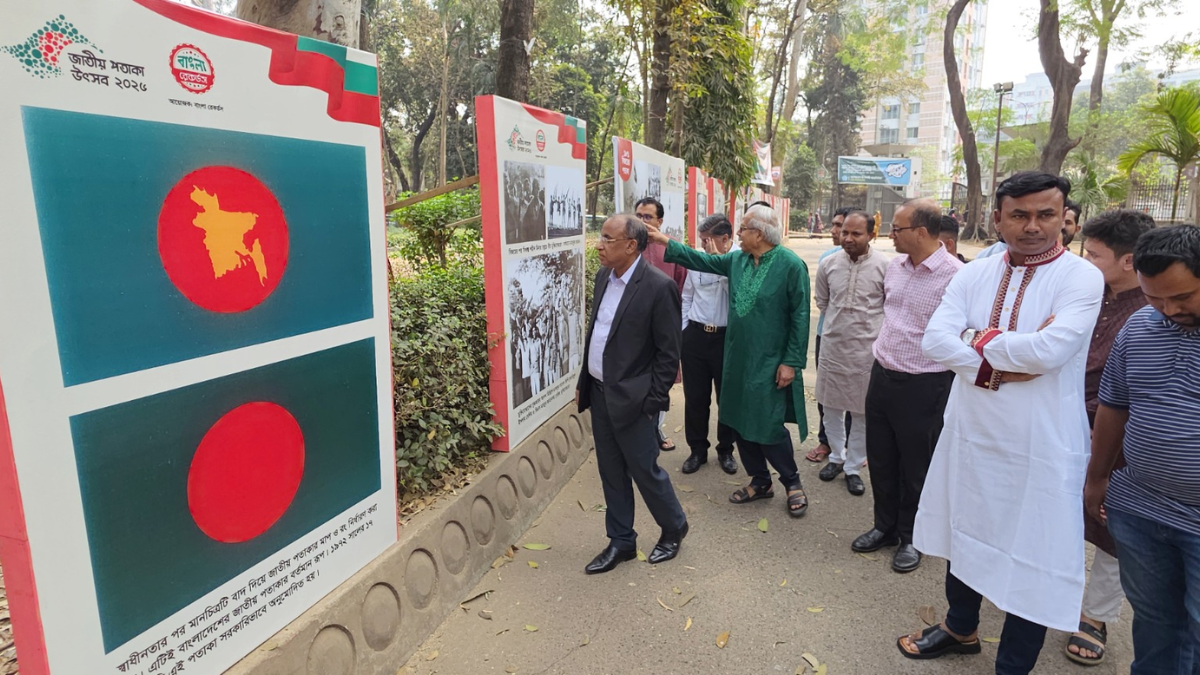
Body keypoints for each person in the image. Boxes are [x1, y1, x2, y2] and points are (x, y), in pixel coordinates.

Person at [899, 171, 1104, 674]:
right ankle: (960, 628)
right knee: (964, 530)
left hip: (1040, 442)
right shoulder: (975, 274)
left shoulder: (1081, 278)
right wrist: (998, 365)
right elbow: (934, 340)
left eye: (1046, 214)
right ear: (997, 219)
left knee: (1031, 553)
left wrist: (973, 338)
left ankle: (1013, 666)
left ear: (1064, 218)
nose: (1033, 226)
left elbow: (1050, 351)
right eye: (1019, 215)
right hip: (972, 434)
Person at [1084, 224, 1200, 674]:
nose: (1169, 311)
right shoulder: (1139, 327)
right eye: (1155, 298)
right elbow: (1114, 405)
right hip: (1139, 510)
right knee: (1154, 622)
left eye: (1183, 297)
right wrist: (1098, 478)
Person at [650, 205, 813, 517]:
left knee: (767, 423)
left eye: (743, 229)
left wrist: (791, 362)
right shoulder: (738, 260)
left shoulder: (791, 265)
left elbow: (800, 316)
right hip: (736, 357)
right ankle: (760, 480)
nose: (738, 233)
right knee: (737, 419)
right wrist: (664, 241)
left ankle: (792, 482)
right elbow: (702, 260)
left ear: (760, 234)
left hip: (770, 361)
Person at [1061, 209, 1154, 665]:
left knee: (1111, 527)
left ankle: (1095, 615)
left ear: (1128, 261)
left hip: (1118, 436)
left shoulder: (1155, 310)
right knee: (1057, 513)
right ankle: (1052, 590)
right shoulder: (1085, 294)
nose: (1085, 261)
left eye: (1094, 255)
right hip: (1062, 422)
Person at [853, 199, 963, 573]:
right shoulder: (895, 267)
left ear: (921, 232)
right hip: (883, 374)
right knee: (881, 457)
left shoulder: (955, 276)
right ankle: (884, 526)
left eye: (897, 228)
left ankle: (912, 536)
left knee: (916, 465)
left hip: (925, 383)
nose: (890, 234)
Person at [576, 214, 688, 574]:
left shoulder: (658, 287)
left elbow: (668, 354)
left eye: (607, 239)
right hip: (600, 393)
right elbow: (599, 333)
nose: (599, 245)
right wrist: (585, 382)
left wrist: (652, 402)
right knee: (610, 471)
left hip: (635, 400)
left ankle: (674, 527)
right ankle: (621, 540)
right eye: (600, 237)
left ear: (631, 245)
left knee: (644, 470)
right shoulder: (603, 277)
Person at [814, 210, 888, 496]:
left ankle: (853, 467)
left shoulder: (885, 266)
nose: (848, 238)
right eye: (845, 232)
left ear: (871, 235)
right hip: (833, 347)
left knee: (861, 413)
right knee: (830, 408)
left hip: (866, 352)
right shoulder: (829, 264)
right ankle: (836, 457)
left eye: (856, 233)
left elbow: (888, 306)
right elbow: (823, 301)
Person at [680, 214, 738, 475]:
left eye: (707, 240)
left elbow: (738, 297)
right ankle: (697, 450)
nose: (702, 245)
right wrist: (684, 331)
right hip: (695, 336)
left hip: (726, 339)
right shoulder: (697, 259)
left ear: (724, 239)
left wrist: (718, 265)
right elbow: (687, 296)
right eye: (701, 240)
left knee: (727, 398)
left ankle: (726, 450)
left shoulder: (739, 260)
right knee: (695, 398)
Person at [635, 197, 687, 452]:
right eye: (638, 216)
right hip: (633, 328)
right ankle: (640, 429)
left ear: (659, 221)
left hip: (663, 327)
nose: (642, 221)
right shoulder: (628, 245)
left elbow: (681, 286)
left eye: (647, 217)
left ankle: (657, 428)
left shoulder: (672, 248)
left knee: (662, 378)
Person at [806, 207, 853, 463]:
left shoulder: (878, 264)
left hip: (859, 342)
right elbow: (822, 302)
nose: (835, 231)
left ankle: (853, 446)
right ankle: (826, 441)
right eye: (834, 225)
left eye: (841, 226)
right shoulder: (827, 259)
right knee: (826, 392)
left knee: (856, 394)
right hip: (826, 335)